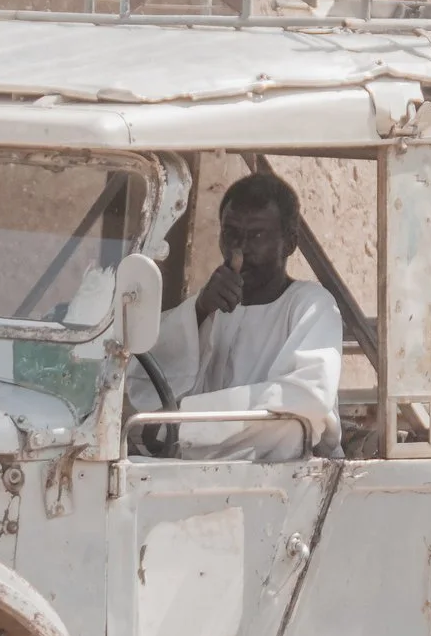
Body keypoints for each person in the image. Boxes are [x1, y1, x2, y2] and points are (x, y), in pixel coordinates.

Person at [128, 172, 342, 461]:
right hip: (198, 468)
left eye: (256, 236)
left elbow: (307, 398)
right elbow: (144, 385)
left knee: (289, 425)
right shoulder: (209, 306)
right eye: (230, 234)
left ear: (290, 243)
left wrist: (181, 426)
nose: (239, 250)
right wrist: (200, 310)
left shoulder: (311, 305)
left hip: (284, 473)